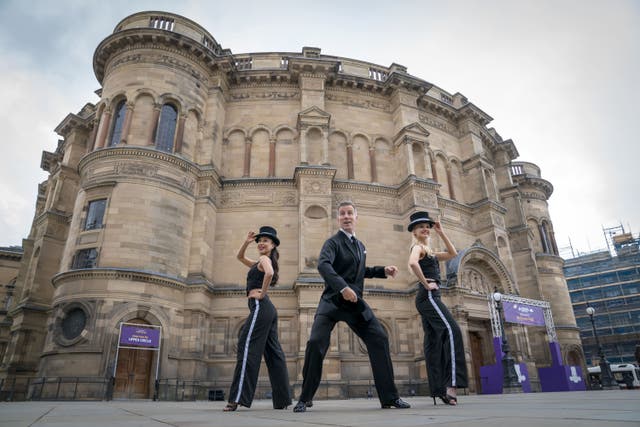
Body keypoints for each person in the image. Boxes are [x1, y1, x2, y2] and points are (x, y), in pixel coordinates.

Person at [293, 201, 410, 412]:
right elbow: (323, 265)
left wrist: (383, 270)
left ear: (356, 217)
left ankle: (390, 398)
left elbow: (360, 271)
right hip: (332, 302)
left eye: (350, 213)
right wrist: (342, 288)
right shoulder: (333, 243)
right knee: (315, 342)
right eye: (342, 214)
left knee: (379, 339)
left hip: (354, 305)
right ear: (338, 218)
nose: (346, 217)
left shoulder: (360, 246)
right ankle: (305, 397)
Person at [224, 226, 292, 411]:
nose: (261, 243)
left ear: (272, 245)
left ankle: (236, 398)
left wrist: (262, 294)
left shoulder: (264, 259)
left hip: (261, 307)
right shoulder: (258, 262)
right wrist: (246, 242)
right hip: (268, 310)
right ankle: (283, 400)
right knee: (274, 354)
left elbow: (269, 273)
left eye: (266, 241)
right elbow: (239, 257)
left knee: (246, 348)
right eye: (260, 240)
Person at [407, 211, 468, 405]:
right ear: (414, 232)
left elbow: (453, 254)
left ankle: (438, 389)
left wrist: (441, 232)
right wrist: (426, 284)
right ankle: (451, 385)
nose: (425, 228)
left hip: (428, 297)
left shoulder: (430, 251)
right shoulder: (418, 248)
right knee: (452, 331)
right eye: (420, 227)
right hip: (429, 295)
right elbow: (412, 263)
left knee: (433, 342)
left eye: (427, 226)